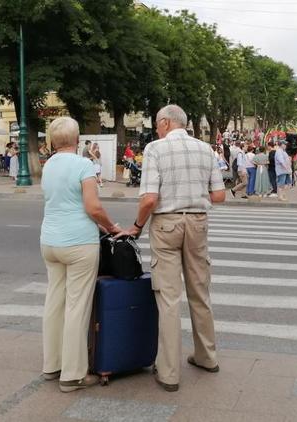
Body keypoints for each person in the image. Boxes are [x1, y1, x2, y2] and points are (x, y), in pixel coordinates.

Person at [117, 104, 225, 393]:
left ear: (165, 123)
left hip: (166, 224)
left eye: (157, 123)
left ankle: (169, 371)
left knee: (168, 297)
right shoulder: (205, 149)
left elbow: (150, 198)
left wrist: (137, 226)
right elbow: (219, 195)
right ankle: (207, 356)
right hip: (198, 223)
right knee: (200, 291)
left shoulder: (156, 149)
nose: (156, 127)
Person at [39, 116, 121, 393]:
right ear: (77, 140)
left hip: (49, 241)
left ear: (53, 141)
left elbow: (62, 202)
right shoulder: (83, 165)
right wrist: (111, 227)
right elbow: (92, 207)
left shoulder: (48, 165)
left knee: (55, 302)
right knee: (77, 307)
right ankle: (73, 375)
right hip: (78, 244)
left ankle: (52, 365)